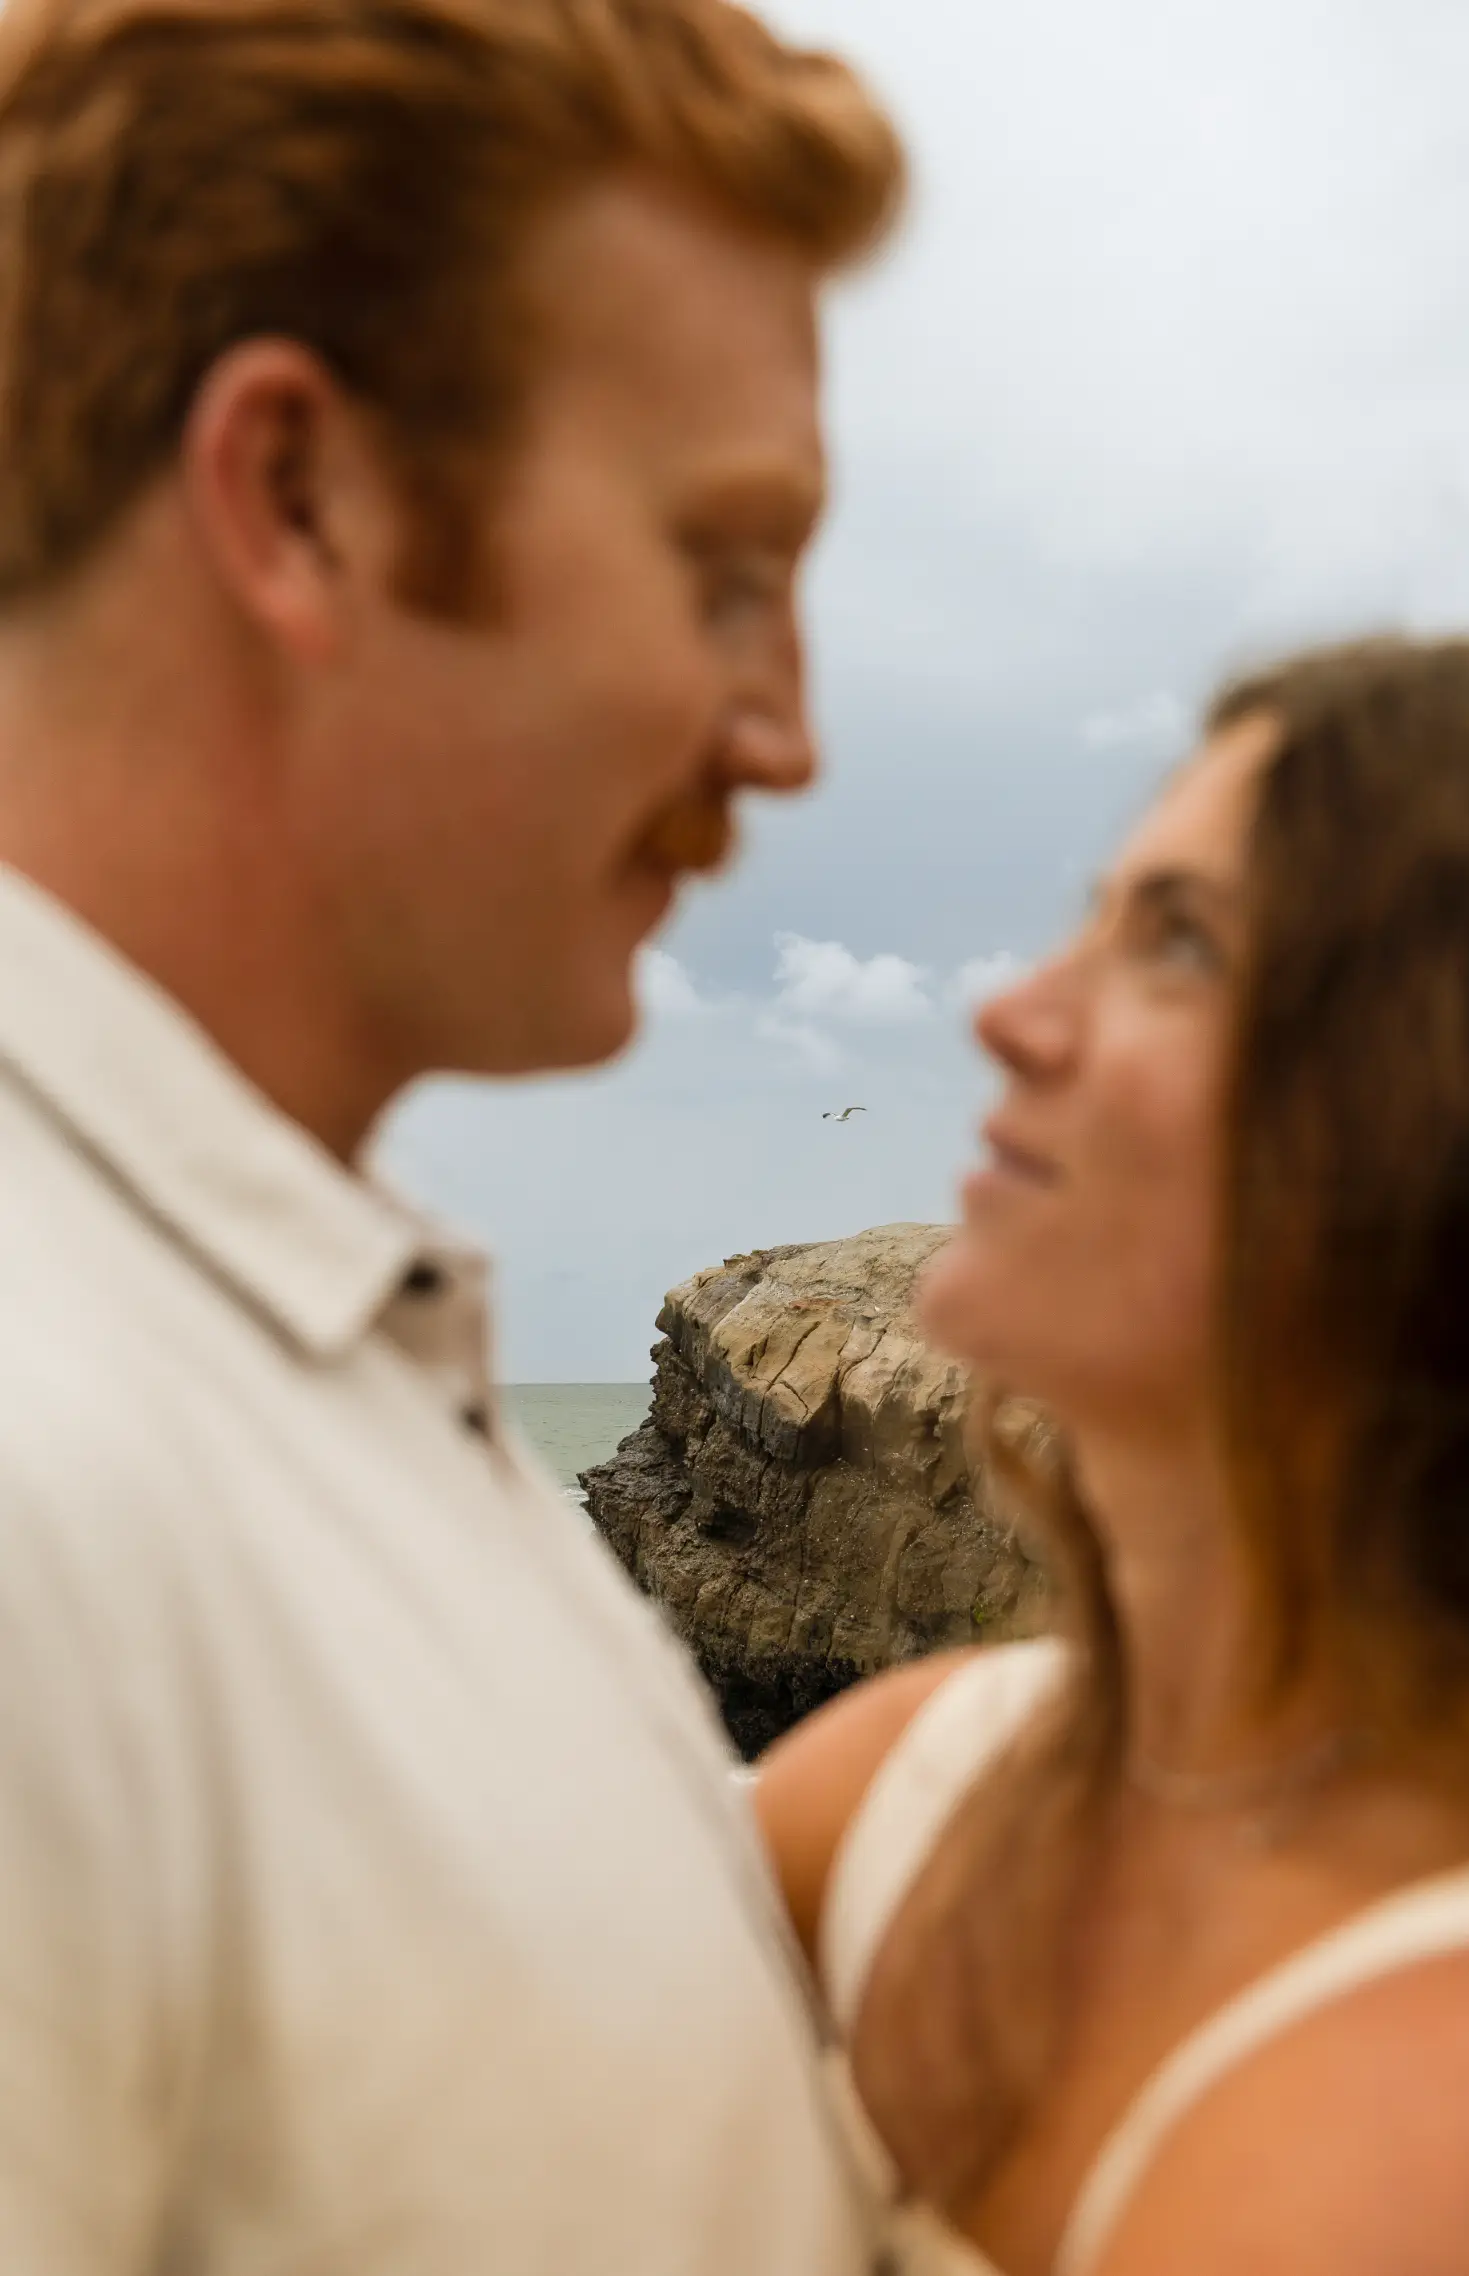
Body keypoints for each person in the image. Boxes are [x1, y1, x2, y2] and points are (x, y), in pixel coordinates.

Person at [0, 1, 904, 2269]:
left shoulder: (294, 1356)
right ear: (301, 501)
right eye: (725, 566)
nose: (785, 734)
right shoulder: (47, 1471)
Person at [759, 637, 1469, 2276]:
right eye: (1092, 920)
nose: (1011, 1012)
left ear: (1437, 1124)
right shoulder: (901, 1792)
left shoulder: (1460, 2102)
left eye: (1180, 943)